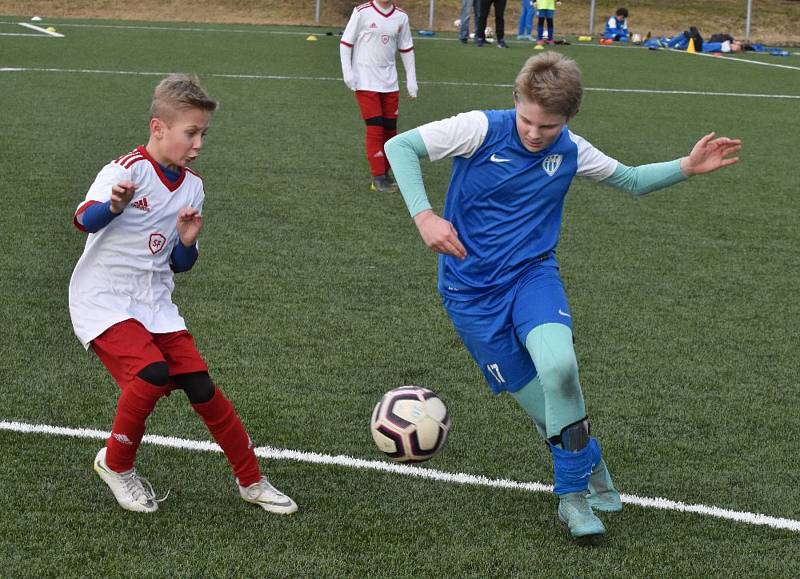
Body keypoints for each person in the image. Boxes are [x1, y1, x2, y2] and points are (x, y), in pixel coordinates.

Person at [385, 52, 740, 542]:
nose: (534, 133)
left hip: (532, 278)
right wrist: (425, 215)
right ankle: (592, 469)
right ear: (516, 102)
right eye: (528, 120)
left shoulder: (572, 150)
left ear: (569, 119)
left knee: (560, 370)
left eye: (548, 126)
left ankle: (571, 501)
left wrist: (686, 166)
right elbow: (399, 146)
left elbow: (631, 180)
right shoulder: (478, 129)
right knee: (542, 409)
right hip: (469, 295)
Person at [69, 74, 298, 515]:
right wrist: (114, 207)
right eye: (190, 133)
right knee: (151, 374)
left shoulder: (193, 187)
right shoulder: (125, 170)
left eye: (203, 134)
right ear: (159, 128)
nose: (198, 144)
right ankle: (117, 465)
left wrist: (187, 241)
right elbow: (84, 220)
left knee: (202, 387)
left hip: (153, 302)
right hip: (103, 297)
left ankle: (251, 480)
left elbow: (179, 264)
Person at [340, 0, 418, 193]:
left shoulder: (401, 16)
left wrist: (411, 80)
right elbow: (345, 43)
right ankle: (377, 177)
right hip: (365, 81)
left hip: (390, 83)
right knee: (375, 128)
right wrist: (347, 71)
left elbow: (406, 48)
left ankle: (385, 173)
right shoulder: (362, 12)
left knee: (391, 130)